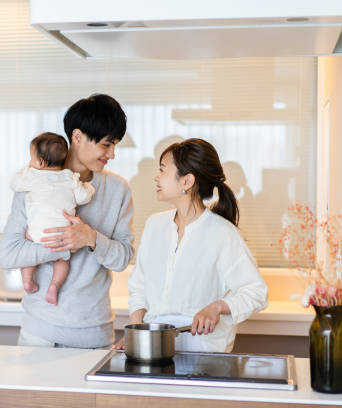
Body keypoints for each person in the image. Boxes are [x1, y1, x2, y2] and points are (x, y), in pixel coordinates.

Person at [0, 94, 134, 349]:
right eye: (107, 144)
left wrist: (90, 238)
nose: (112, 154)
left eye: (115, 145)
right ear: (78, 136)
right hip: (39, 334)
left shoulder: (118, 190)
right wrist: (61, 245)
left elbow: (123, 258)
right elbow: (8, 255)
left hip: (94, 334)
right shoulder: (33, 183)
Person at [114, 138, 268, 352]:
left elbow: (255, 292)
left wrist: (218, 307)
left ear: (187, 181)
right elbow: (139, 287)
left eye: (163, 170)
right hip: (155, 349)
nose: (156, 177)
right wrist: (136, 334)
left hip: (204, 351)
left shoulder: (223, 233)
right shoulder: (154, 225)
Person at [10, 132, 95, 306]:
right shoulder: (70, 177)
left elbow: (15, 184)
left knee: (28, 251)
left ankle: (27, 280)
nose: (30, 163)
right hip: (62, 236)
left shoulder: (32, 176)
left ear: (40, 162)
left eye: (31, 159)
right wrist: (87, 186)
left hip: (37, 234)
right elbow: (83, 197)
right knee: (62, 261)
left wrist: (27, 169)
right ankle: (54, 286)